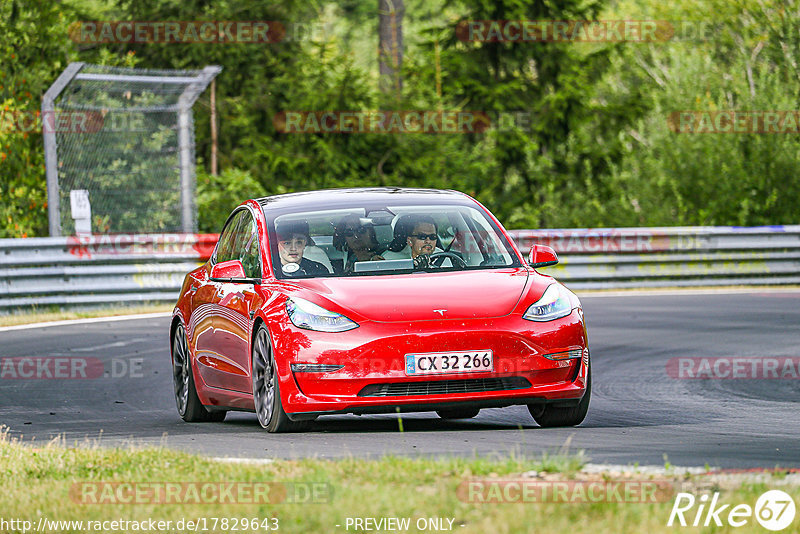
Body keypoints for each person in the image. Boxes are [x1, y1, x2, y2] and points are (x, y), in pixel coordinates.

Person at [383, 214, 448, 269]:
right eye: (422, 237)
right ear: (409, 241)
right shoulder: (390, 260)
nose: (428, 241)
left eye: (432, 237)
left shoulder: (444, 257)